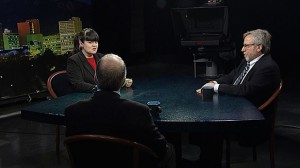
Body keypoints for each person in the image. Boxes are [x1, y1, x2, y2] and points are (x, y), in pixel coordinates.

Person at [64, 53, 176, 168]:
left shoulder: (72, 111)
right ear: (123, 81)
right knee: (170, 150)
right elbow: (161, 149)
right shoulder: (138, 112)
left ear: (95, 78)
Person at [192, 29, 281, 167]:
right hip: (241, 109)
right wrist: (214, 82)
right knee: (205, 117)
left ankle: (209, 163)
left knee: (211, 124)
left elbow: (245, 90)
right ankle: (207, 160)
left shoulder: (267, 67)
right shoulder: (248, 61)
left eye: (246, 46)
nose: (242, 49)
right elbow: (231, 76)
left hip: (253, 122)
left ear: (259, 47)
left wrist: (216, 88)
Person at [66, 28, 133, 92]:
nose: (94, 45)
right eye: (90, 42)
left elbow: (110, 77)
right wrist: (99, 89)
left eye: (96, 42)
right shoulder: (74, 60)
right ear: (81, 43)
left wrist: (123, 81)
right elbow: (77, 84)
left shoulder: (102, 58)